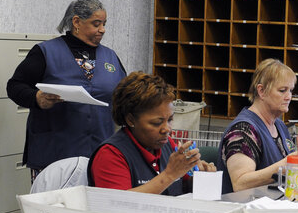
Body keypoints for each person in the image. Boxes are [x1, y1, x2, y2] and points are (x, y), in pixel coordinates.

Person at [6, 0, 126, 181]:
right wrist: (36, 98)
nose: (102, 30)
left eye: (104, 24)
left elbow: (126, 94)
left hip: (98, 155)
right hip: (53, 155)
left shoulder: (110, 57)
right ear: (76, 22)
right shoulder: (45, 52)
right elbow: (14, 86)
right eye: (96, 24)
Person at [216, 59, 298, 193]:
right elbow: (240, 184)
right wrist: (283, 167)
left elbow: (292, 170)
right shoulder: (243, 131)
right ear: (261, 91)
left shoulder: (279, 126)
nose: (289, 97)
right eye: (282, 90)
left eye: (291, 90)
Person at [88, 72, 216, 196]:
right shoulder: (110, 154)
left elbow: (180, 186)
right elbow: (118, 203)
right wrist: (169, 175)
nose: (167, 129)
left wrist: (200, 178)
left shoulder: (168, 145)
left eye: (170, 120)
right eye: (156, 123)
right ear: (131, 120)